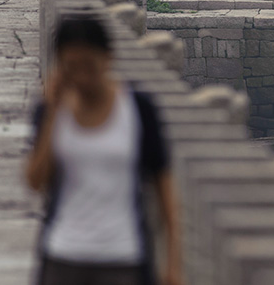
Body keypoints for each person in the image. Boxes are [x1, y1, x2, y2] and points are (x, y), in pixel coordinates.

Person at [26, 15, 182, 285]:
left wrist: (173, 264)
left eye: (89, 65)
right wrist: (52, 111)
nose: (81, 76)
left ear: (108, 57)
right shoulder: (51, 111)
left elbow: (165, 191)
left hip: (123, 257)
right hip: (62, 255)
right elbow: (34, 180)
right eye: (72, 66)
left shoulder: (139, 109)